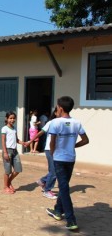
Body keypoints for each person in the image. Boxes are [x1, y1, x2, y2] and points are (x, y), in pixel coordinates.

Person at [46, 96, 89, 231]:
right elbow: (86, 140)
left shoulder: (55, 123)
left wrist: (53, 153)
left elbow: (52, 142)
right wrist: (73, 146)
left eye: (57, 107)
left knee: (64, 189)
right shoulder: (77, 123)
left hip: (59, 159)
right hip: (70, 159)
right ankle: (58, 211)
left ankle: (71, 220)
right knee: (64, 187)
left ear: (60, 108)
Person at [25, 109, 58, 199]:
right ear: (55, 113)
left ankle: (42, 181)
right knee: (54, 171)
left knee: (55, 170)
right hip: (49, 149)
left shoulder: (63, 123)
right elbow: (41, 132)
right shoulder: (51, 123)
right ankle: (47, 190)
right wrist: (30, 141)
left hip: (58, 150)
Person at [1, 111, 25, 194]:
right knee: (8, 171)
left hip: (15, 151)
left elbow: (16, 139)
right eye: (10, 118)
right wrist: (5, 152)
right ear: (6, 119)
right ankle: (5, 187)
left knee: (18, 169)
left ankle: (9, 182)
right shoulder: (4, 128)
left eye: (14, 118)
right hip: (7, 150)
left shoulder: (14, 129)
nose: (12, 120)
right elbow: (3, 141)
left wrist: (23, 143)